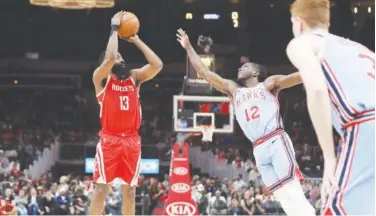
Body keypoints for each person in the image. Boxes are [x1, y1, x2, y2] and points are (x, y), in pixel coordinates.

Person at [177, 28, 315, 216]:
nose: (240, 68)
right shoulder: (234, 90)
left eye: (246, 66)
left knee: (292, 188)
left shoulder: (268, 84)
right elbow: (203, 72)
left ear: (256, 72)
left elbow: (296, 77)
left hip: (275, 139)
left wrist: (317, 65)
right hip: (258, 148)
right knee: (281, 195)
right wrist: (188, 47)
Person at [286, 0, 375, 215]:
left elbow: (316, 90)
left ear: (298, 22)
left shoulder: (302, 43)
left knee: (336, 208)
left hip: (366, 124)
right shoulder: (360, 49)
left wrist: (329, 157)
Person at [89, 11, 163, 215]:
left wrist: (137, 40)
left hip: (131, 140)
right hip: (110, 140)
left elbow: (157, 65)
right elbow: (111, 56)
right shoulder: (101, 79)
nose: (120, 59)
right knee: (100, 190)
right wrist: (114, 28)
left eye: (122, 57)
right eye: (117, 58)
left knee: (130, 191)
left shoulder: (134, 78)